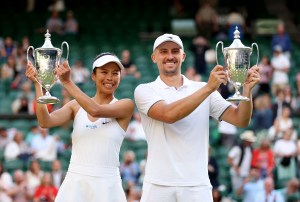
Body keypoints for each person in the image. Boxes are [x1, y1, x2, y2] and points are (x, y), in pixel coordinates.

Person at [134, 33, 260, 202]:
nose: (170, 56)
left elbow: (241, 120)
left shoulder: (202, 88)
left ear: (183, 56)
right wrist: (208, 88)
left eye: (175, 51)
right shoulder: (144, 90)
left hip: (197, 186)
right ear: (154, 57)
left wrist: (247, 90)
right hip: (158, 185)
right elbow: (169, 115)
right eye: (163, 51)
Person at [26, 52, 134, 202]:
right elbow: (45, 121)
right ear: (93, 76)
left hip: (108, 185)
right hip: (75, 182)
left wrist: (67, 82)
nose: (110, 77)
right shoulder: (75, 106)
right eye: (104, 72)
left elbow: (95, 110)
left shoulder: (125, 105)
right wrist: (37, 84)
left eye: (115, 73)